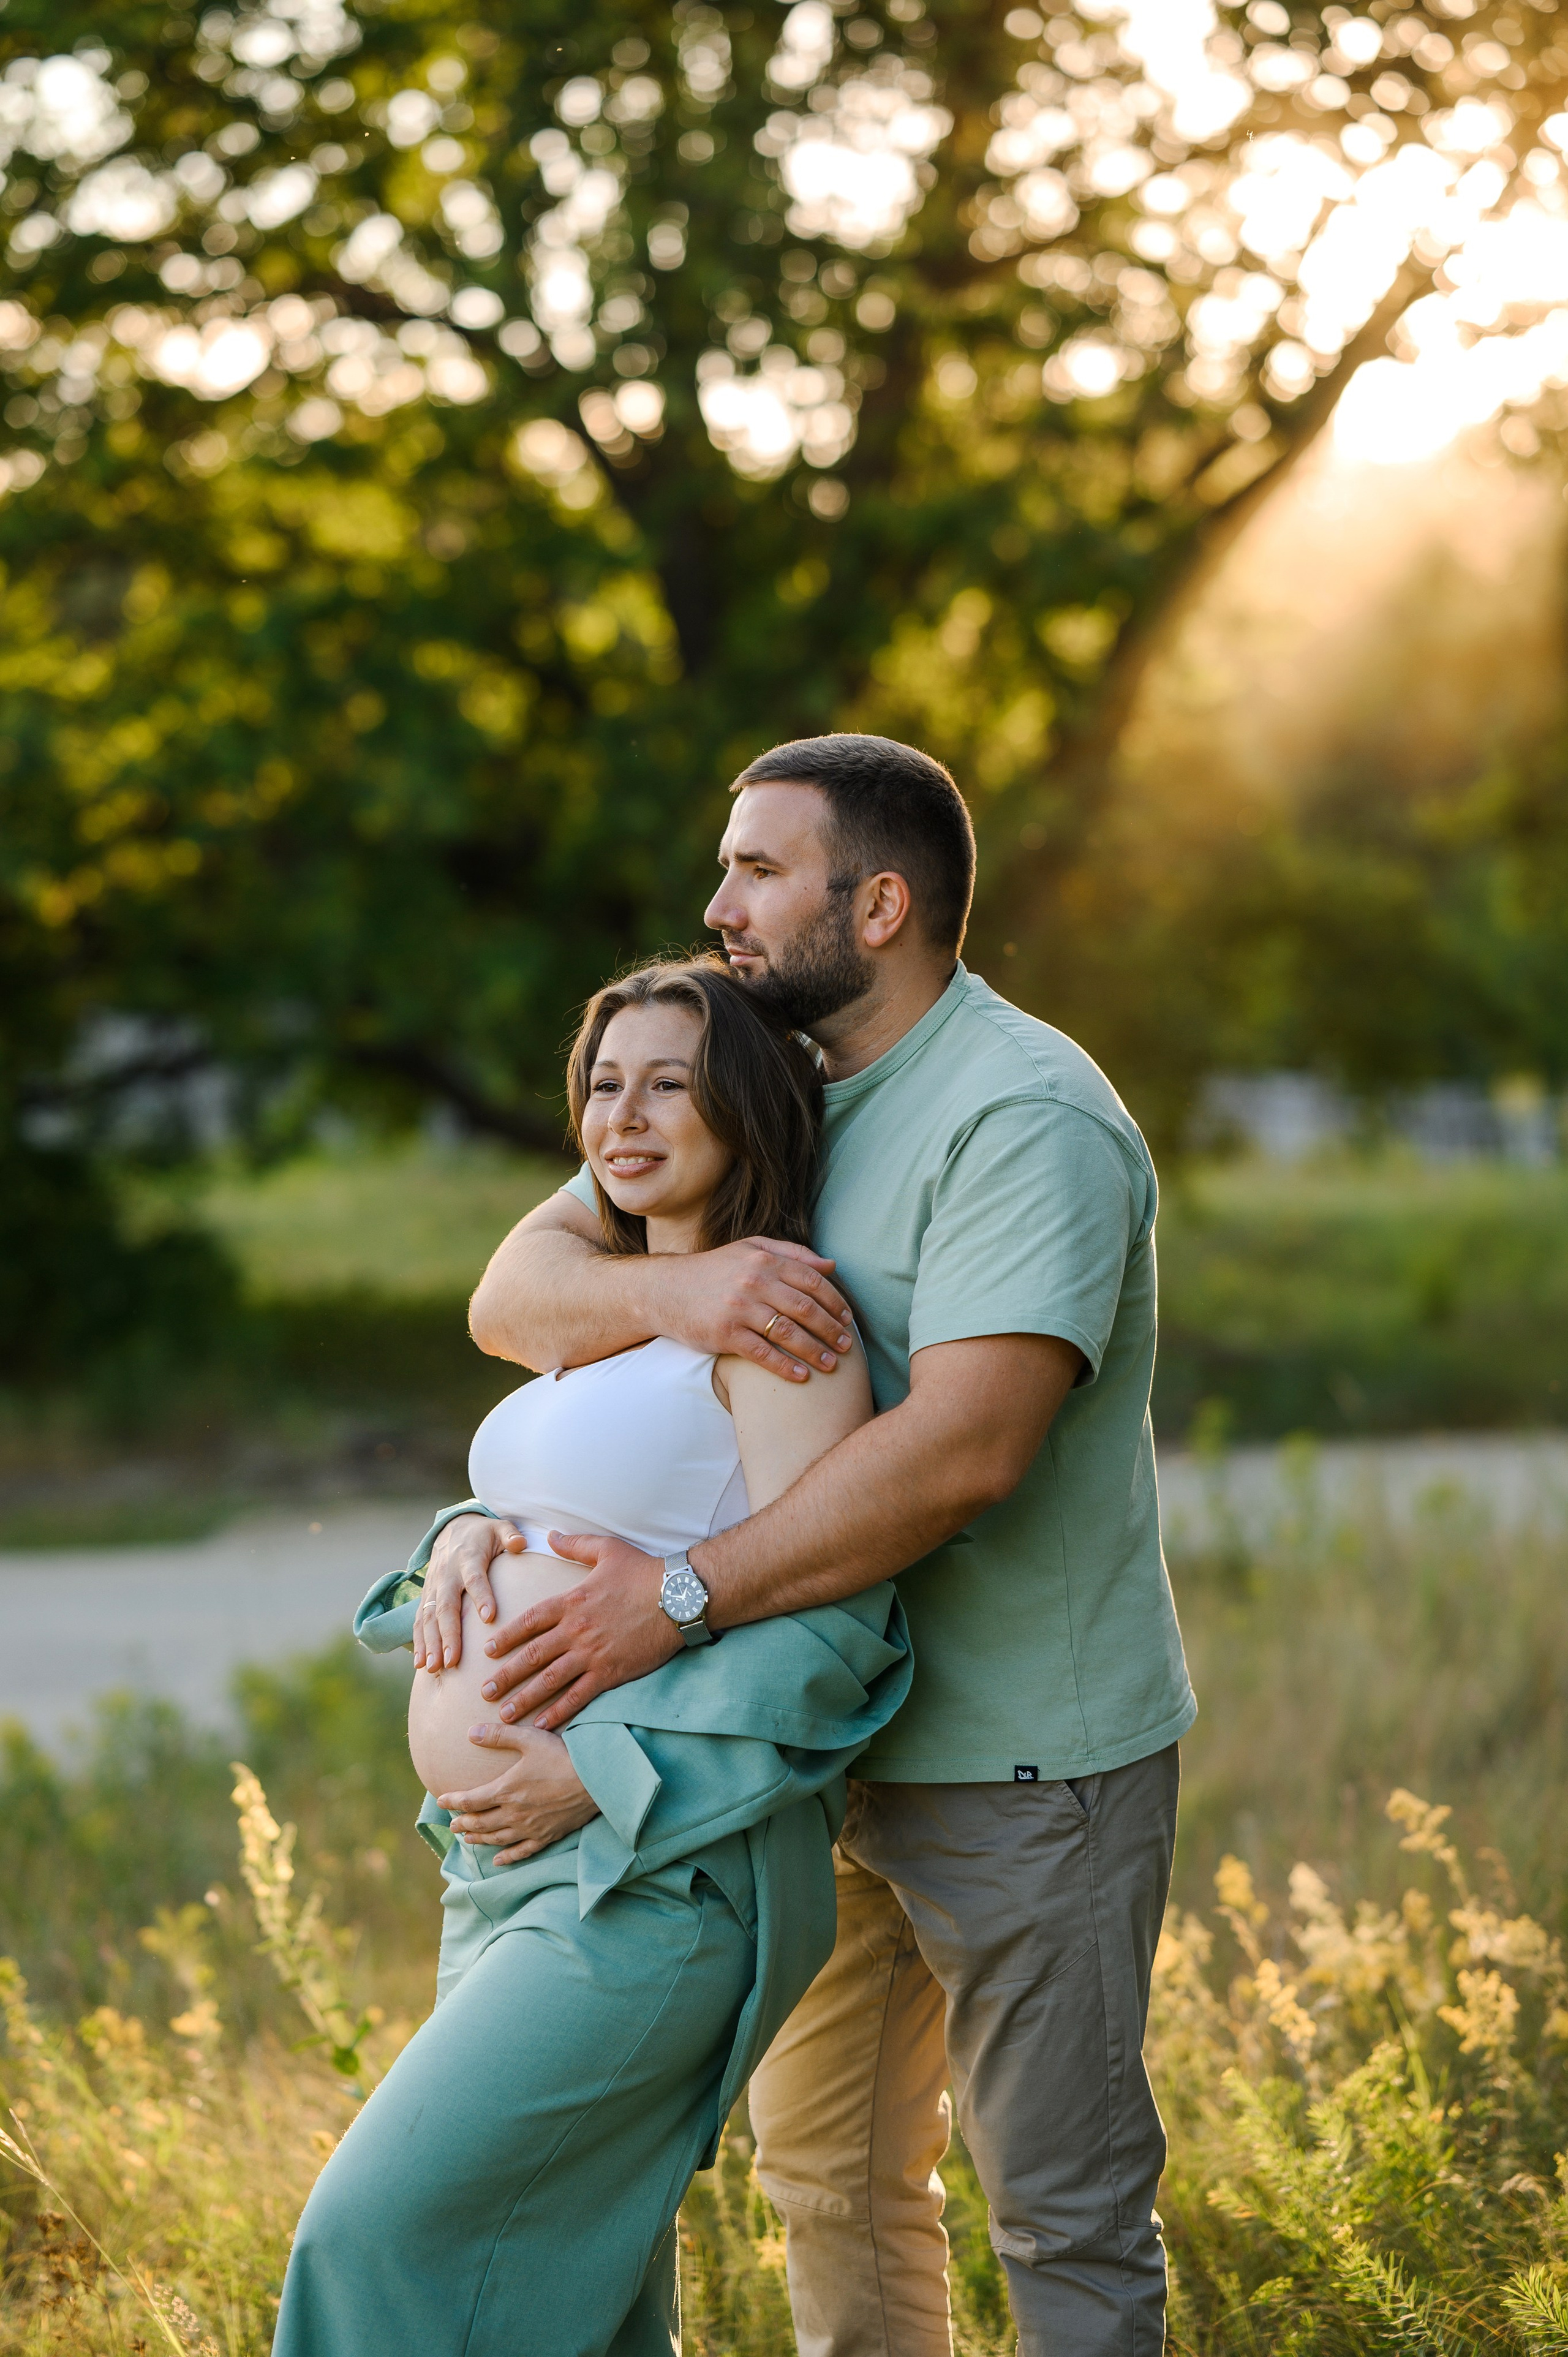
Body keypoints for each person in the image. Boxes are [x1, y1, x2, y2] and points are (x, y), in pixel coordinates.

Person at [423, 733, 1197, 2357]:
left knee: (1060, 2205)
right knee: (833, 2184)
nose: (721, 906)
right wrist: (676, 1289)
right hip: (804, 1750)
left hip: (1021, 1761)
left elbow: (967, 1449)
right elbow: (517, 1296)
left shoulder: (1024, 1114)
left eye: (761, 870)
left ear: (885, 902)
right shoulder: (763, 1083)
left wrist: (682, 1601)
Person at [271, 957, 911, 2357]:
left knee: (375, 2239)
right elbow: (581, 1496)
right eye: (601, 1084)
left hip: (648, 1873)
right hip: (497, 1873)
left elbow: (836, 1624)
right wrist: (466, 1535)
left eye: (669, 1083)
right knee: (575, 2306)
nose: (623, 1116)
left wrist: (597, 1768)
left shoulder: (779, 1324)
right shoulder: (621, 1301)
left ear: (745, 1106)